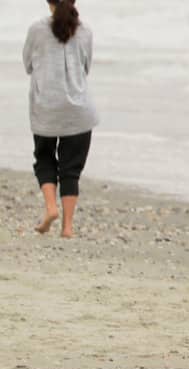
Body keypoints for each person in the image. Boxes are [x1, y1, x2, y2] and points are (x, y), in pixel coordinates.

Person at [23, 0, 96, 238]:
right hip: (79, 111)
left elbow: (28, 65)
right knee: (71, 170)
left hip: (46, 108)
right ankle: (67, 227)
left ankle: (51, 208)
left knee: (44, 159)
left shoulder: (36, 29)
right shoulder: (85, 31)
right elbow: (85, 69)